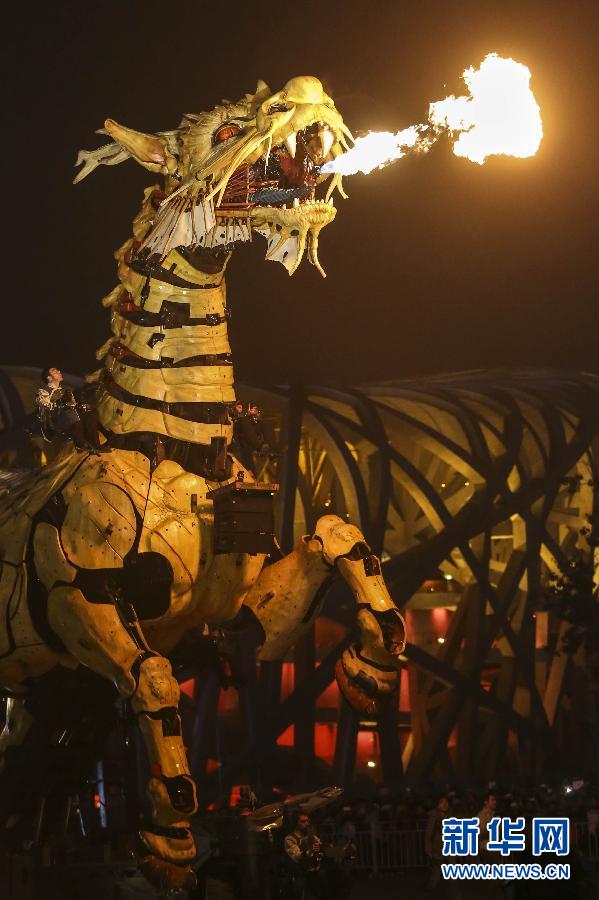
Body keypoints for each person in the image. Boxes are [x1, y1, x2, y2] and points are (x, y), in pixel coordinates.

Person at [36, 367, 106, 452]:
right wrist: (60, 402)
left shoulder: (65, 390)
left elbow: (73, 404)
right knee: (71, 413)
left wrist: (81, 406)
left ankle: (96, 445)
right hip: (55, 421)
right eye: (55, 371)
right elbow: (45, 407)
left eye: (58, 370)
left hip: (69, 418)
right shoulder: (44, 391)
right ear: (49, 378)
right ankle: (80, 444)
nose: (59, 371)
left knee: (90, 413)